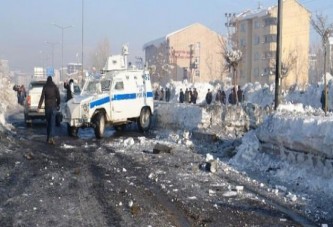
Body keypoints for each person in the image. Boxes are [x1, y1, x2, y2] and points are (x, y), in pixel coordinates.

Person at [38, 76, 61, 144]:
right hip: (53, 106)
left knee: (48, 123)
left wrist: (39, 106)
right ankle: (51, 138)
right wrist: (58, 104)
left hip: (47, 107)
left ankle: (48, 137)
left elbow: (42, 97)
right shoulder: (55, 87)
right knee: (52, 123)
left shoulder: (45, 87)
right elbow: (58, 97)